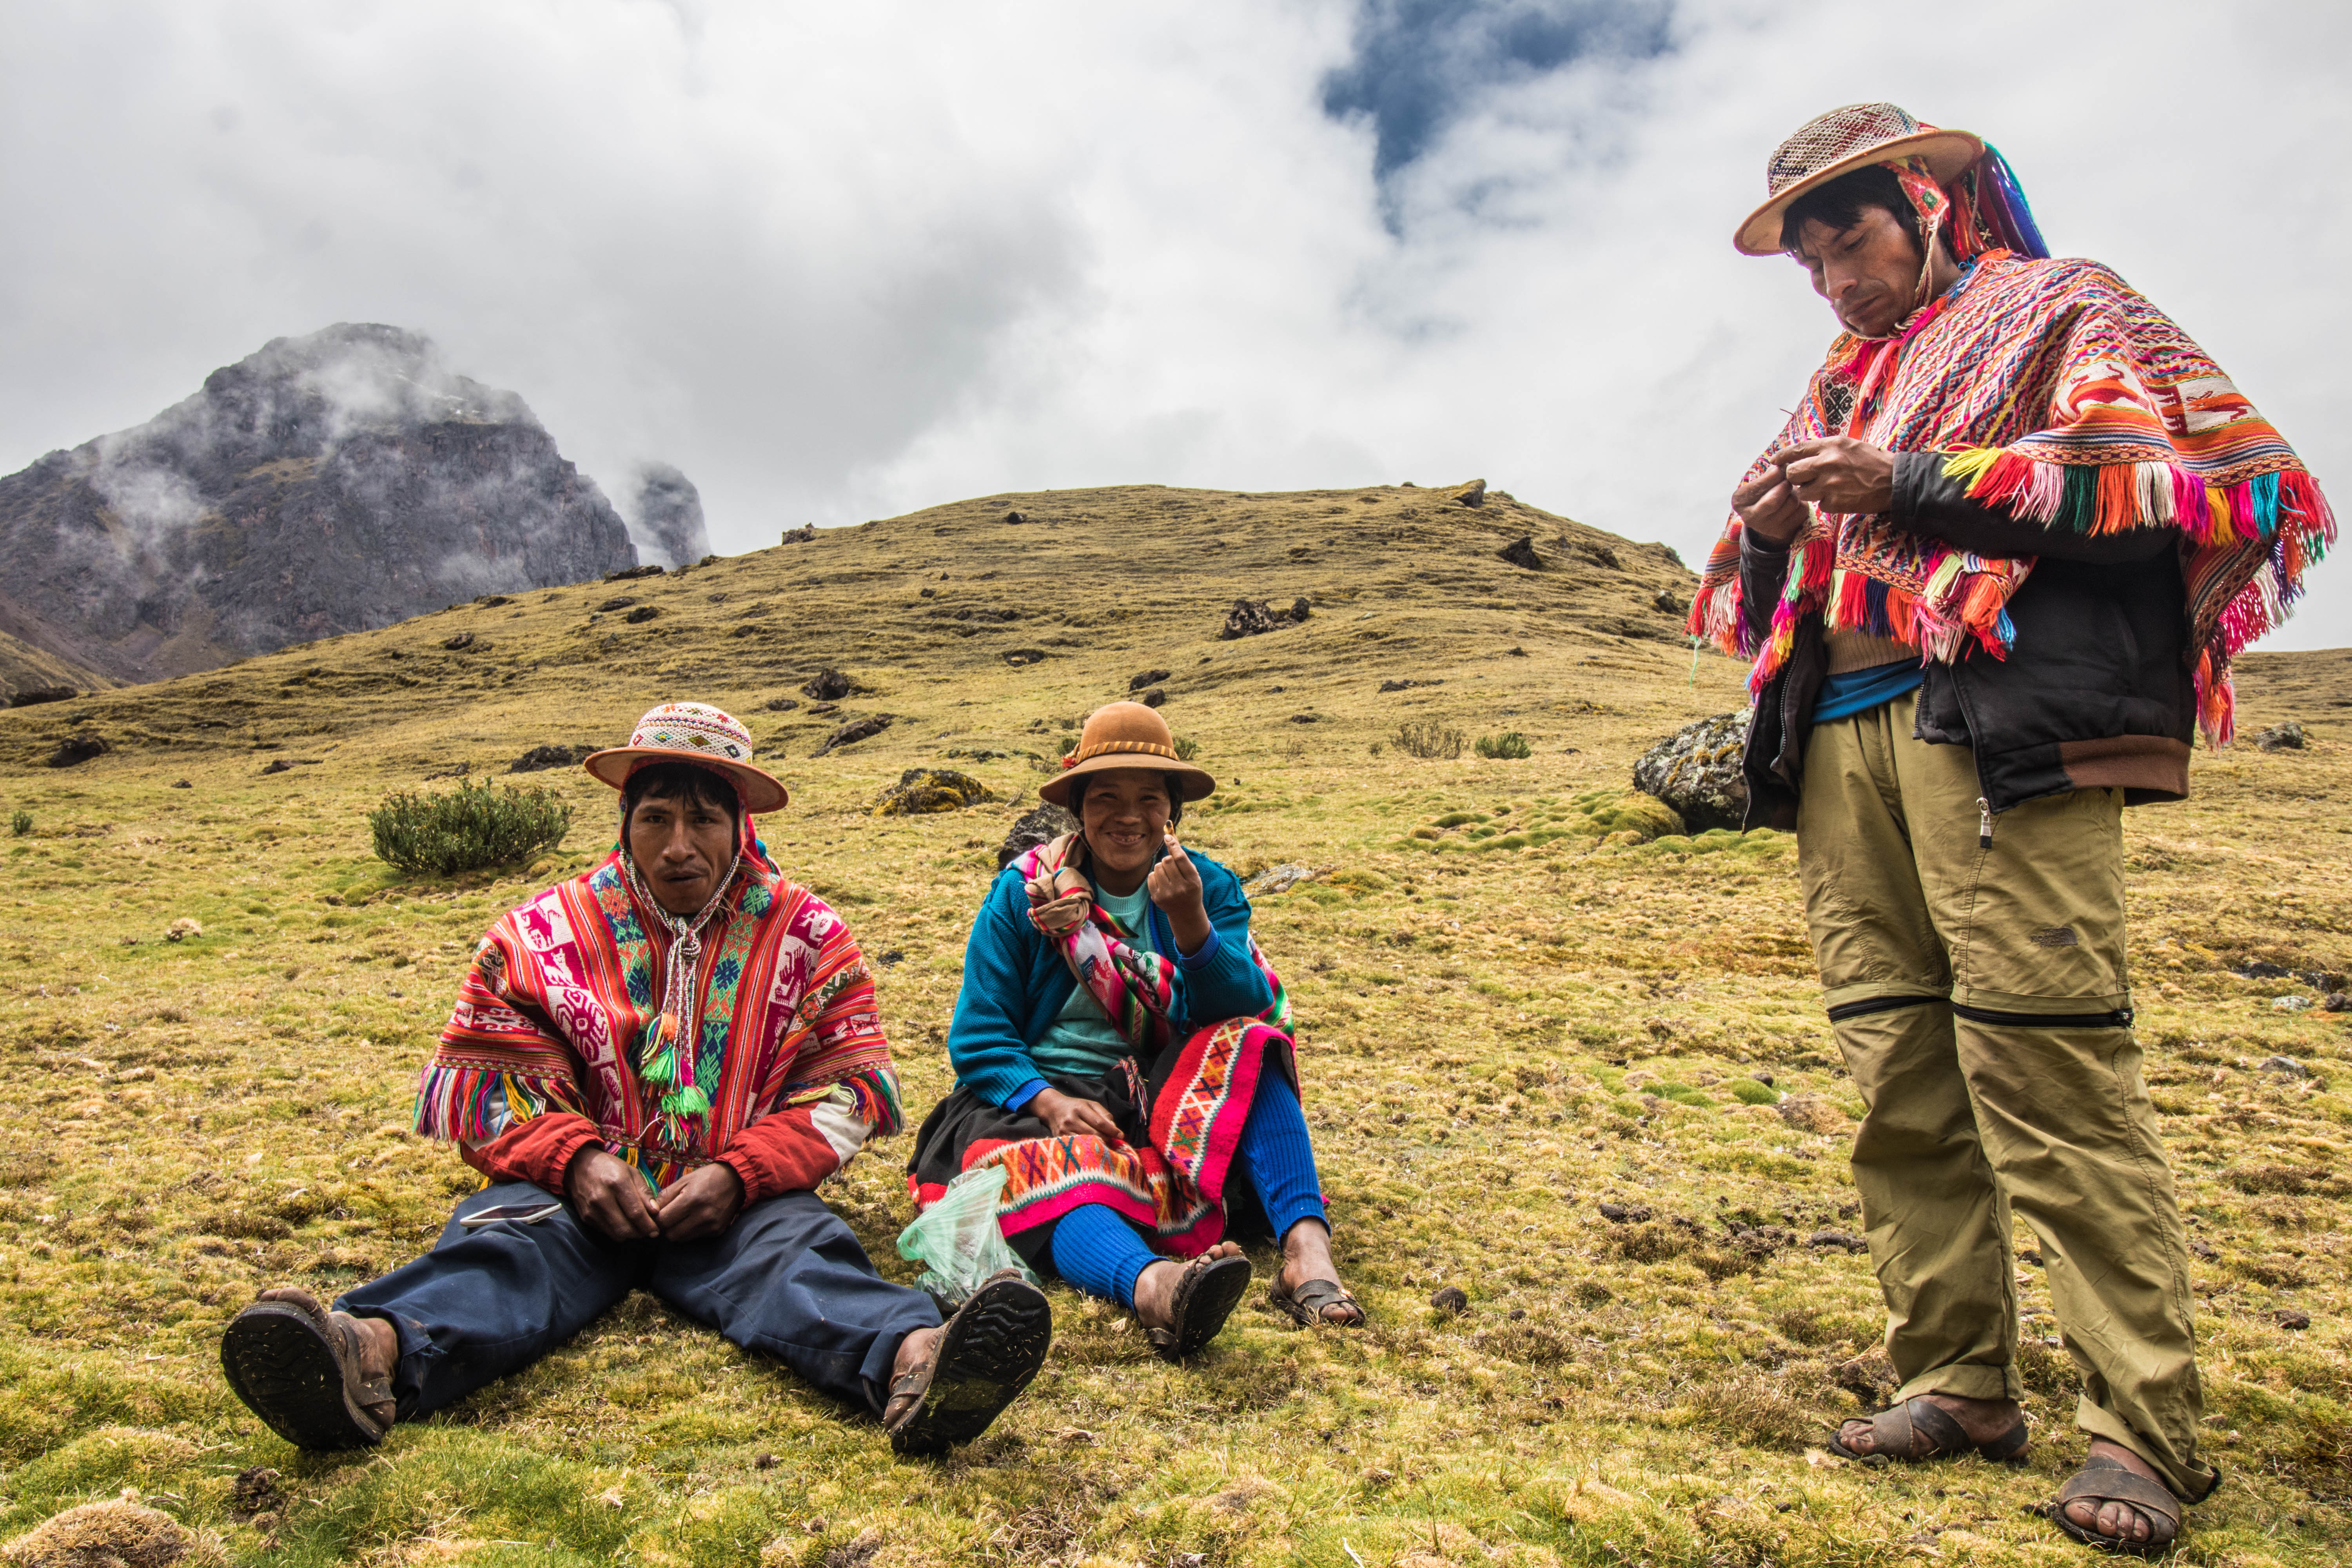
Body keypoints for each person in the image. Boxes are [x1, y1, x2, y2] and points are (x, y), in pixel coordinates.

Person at [1690, 103, 2336, 1554]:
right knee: (1897, 1073)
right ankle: (1957, 1382)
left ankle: (2141, 1429)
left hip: (1992, 731)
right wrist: (1777, 531)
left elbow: (2164, 484)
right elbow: (1770, 592)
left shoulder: (2063, 308)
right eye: (1807, 262)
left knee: (2049, 1066)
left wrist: (1909, 482)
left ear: (1926, 203)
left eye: (1848, 239)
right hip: (1842, 737)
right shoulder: (1841, 383)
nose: (1832, 280)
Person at [218, 703, 1051, 1456]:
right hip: (567, 1199)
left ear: (741, 826)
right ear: (626, 822)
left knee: (801, 1259)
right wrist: (578, 1161)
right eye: (656, 817)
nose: (678, 845)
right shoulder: (538, 938)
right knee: (502, 1249)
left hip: (741, 1203)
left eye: (703, 819)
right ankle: (363, 1354)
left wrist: (740, 1173)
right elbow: (487, 1089)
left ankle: (919, 1362)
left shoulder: (809, 936)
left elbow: (845, 1095)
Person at [909, 702, 1362, 1357]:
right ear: (1078, 809)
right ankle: (1155, 1287)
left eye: (1149, 798)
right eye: (1106, 798)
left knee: (1252, 1046)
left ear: (1172, 811)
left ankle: (1306, 1255)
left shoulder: (1207, 886)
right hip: (1037, 1095)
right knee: (1040, 1169)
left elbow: (1238, 1006)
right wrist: (1050, 1102)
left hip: (1161, 1086)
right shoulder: (1025, 894)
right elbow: (981, 1034)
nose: (1128, 817)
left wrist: (1191, 922)